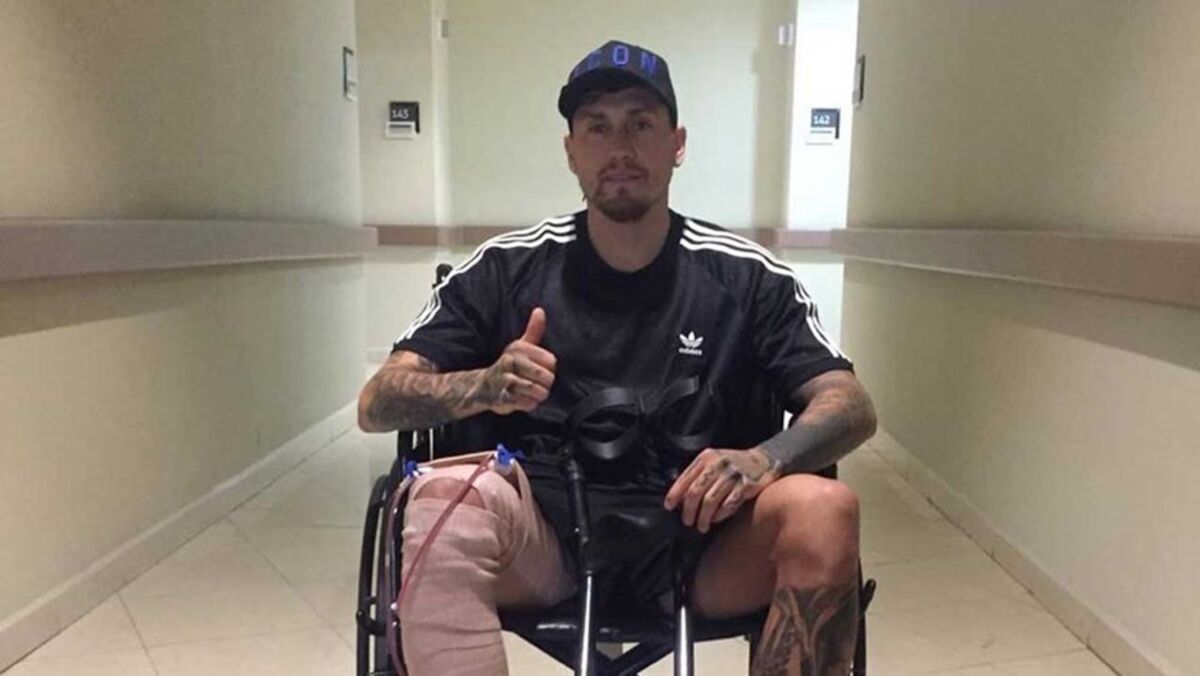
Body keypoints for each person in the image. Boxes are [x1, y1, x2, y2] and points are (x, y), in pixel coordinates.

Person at [358, 39, 877, 676]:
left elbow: (850, 405)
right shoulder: (503, 269)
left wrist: (764, 459)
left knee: (825, 508)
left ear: (677, 144)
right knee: (437, 497)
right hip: (542, 542)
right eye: (597, 128)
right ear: (571, 150)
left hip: (704, 544)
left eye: (641, 124)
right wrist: (482, 386)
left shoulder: (748, 278)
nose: (620, 149)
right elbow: (378, 402)